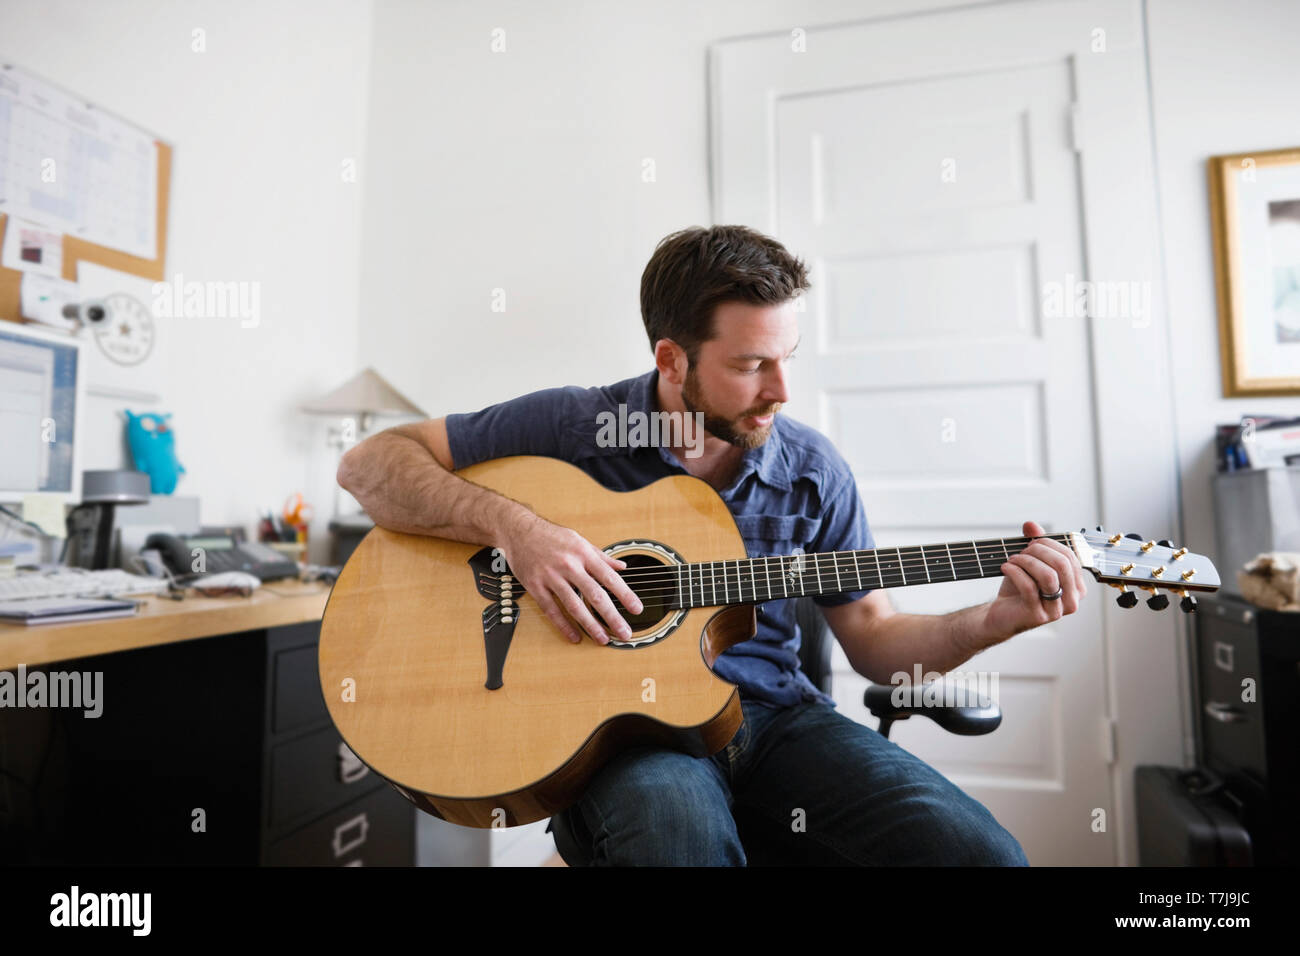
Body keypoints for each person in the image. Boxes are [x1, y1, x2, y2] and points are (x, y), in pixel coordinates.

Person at [336, 224, 1089, 866]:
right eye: (750, 365)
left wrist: (992, 623)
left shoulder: (812, 470)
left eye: (787, 356)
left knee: (983, 854)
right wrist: (518, 530)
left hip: (777, 724)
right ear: (672, 361)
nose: (781, 390)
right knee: (678, 839)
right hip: (620, 737)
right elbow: (367, 464)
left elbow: (875, 638)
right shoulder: (576, 428)